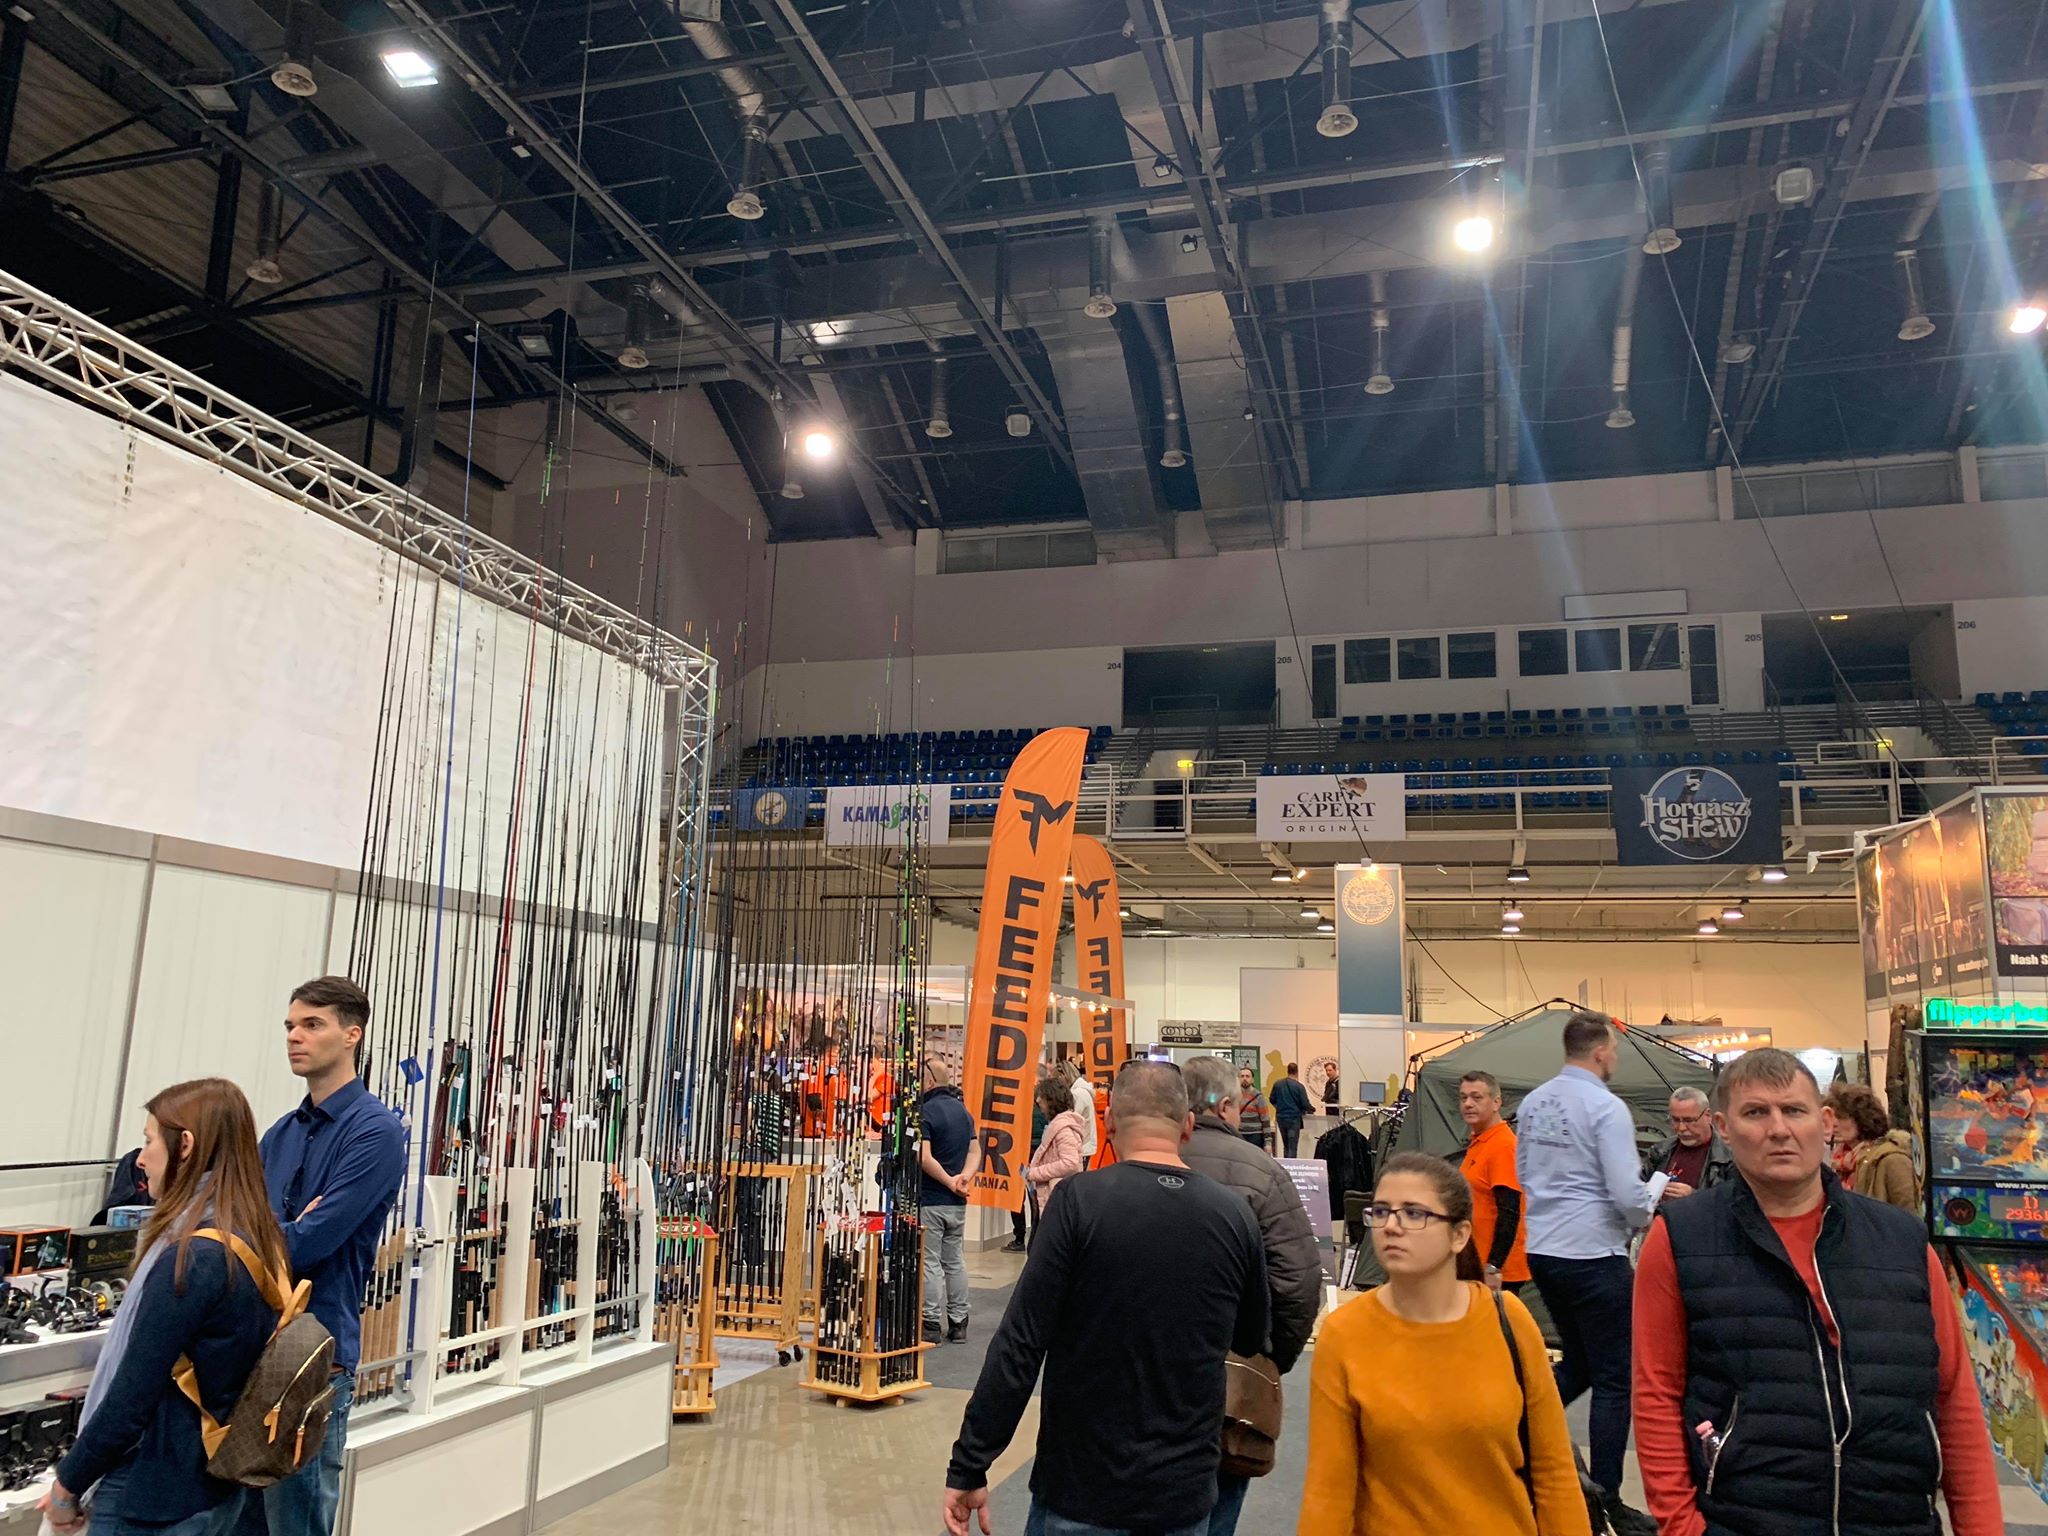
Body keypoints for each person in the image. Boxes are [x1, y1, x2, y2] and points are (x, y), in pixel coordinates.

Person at [1634, 1048, 2001, 1536]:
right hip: (1744, 1521)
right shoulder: (1682, 1238)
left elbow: (1954, 1397)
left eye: (1794, 1110)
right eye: (1755, 1113)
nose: (1778, 1129)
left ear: (1825, 1123)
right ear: (1724, 1128)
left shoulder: (1901, 1241)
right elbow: (1655, 1392)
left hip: (1896, 1520)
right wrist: (1682, 1527)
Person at [941, 1061, 1267, 1536]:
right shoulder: (1234, 1216)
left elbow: (1020, 1344)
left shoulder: (1077, 1202)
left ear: (1110, 1121)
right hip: (1184, 1491)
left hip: (1080, 1487)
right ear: (1188, 1126)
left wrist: (971, 1462)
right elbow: (1253, 1335)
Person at [44, 1080, 291, 1536]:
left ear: (186, 1146)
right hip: (215, 1488)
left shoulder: (192, 1258)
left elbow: (130, 1400)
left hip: (154, 1494)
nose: (140, 1159)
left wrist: (67, 1486)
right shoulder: (257, 1238)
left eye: (149, 1140)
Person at [1299, 1152, 1591, 1536]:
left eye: (1414, 1213)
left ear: (1459, 1235)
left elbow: (1554, 1471)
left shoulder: (1509, 1320)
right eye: (1381, 1212)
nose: (1392, 1226)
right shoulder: (1344, 1334)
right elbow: (1328, 1490)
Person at [237, 976, 404, 1536]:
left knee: (296, 1522)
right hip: (248, 1352)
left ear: (352, 1035)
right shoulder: (280, 1133)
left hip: (312, 1360)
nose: (294, 1037)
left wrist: (275, 1232)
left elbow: (309, 1243)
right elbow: (238, 1234)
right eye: (290, 1025)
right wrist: (283, 1229)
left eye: (312, 1025)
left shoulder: (376, 1132)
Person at [1515, 1012, 1678, 1536]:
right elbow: (1627, 1194)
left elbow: (1524, 1172)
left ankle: (1513, 1425)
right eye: (1616, 1051)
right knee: (1615, 1378)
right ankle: (1606, 1498)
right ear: (1602, 1051)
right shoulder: (1606, 1108)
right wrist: (1649, 1204)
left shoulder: (1535, 1103)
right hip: (1593, 1254)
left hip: (1544, 1250)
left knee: (1581, 1363)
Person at [1182, 1056, 1323, 1536]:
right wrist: (1268, 1358)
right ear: (1228, 1105)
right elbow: (1298, 1280)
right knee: (1220, 1498)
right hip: (1230, 1378)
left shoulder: (1141, 1163)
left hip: (1142, 1375)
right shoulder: (1264, 1173)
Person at [920, 1059, 980, 1343]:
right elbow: (975, 1151)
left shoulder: (925, 1112)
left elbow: (924, 1158)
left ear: (930, 1081)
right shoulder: (963, 1112)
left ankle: (930, 1323)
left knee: (930, 1262)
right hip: (956, 1202)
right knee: (954, 1261)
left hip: (932, 1199)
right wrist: (963, 1179)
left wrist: (949, 1182)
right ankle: (959, 1323)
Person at [1457, 1071, 1530, 1297]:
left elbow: (1509, 1211)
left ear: (1496, 1102)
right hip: (1475, 1264)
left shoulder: (1503, 1146)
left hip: (1496, 1272)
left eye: (1477, 1097)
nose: (1468, 1104)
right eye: (1463, 1097)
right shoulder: (1480, 1143)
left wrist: (1494, 1266)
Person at [1825, 1082, 1920, 1213]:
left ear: (1862, 1118)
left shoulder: (1892, 1159)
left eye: (1841, 1117)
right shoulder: (1841, 1161)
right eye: (1831, 1117)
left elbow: (1909, 1213)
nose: (1834, 1123)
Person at [1641, 1086, 1734, 1192]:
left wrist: (1693, 1197)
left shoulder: (1729, 1158)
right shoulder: (1660, 1151)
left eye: (1689, 1120)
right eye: (1675, 1120)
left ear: (1708, 1116)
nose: (1681, 1128)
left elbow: (1737, 1199)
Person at [1026, 1078, 1088, 1213]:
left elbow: (1070, 1163)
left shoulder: (1063, 1129)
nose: (1038, 1100)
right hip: (1054, 1195)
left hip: (1057, 1198)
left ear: (1051, 1099)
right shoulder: (1060, 1126)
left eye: (1042, 1097)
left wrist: (1035, 1173)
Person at [1006, 1081, 1052, 1254]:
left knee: (1018, 1196)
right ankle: (1035, 1235)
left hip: (1022, 1155)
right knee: (1034, 1197)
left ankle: (1020, 1237)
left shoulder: (1021, 1108)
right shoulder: (1041, 1109)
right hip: (1034, 1155)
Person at [1060, 1059, 1100, 1166]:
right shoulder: (1082, 1091)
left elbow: (1072, 1119)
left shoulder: (1077, 1094)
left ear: (1063, 1075)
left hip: (1082, 1146)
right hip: (1084, 1144)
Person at [1270, 1063, 1315, 1158]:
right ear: (1297, 1072)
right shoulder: (1299, 1086)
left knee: (1286, 1145)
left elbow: (1272, 1099)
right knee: (1292, 1146)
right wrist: (1312, 1109)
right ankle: (1292, 1164)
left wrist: (1279, 1107)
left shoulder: (1278, 1084)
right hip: (1293, 1118)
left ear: (1287, 1071)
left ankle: (1286, 1164)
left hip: (1281, 1118)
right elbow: (1305, 1104)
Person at [1236, 1066, 1272, 1152]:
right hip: (1239, 1135)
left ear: (1252, 1080)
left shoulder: (1258, 1097)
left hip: (1255, 1136)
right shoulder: (1234, 1096)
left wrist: (1268, 1142)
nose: (1245, 1079)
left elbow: (1265, 1119)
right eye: (1242, 1076)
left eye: (1247, 1076)